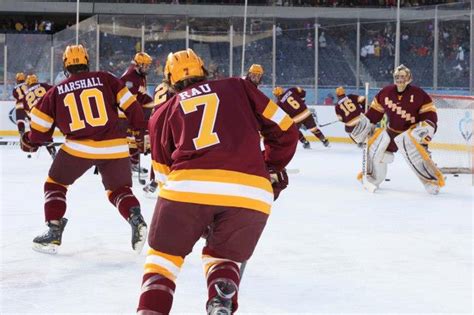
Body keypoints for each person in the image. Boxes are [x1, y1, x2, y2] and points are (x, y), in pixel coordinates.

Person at [137, 49, 298, 314]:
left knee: (162, 260)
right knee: (223, 257)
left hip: (186, 188)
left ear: (169, 80)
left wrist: (195, 216)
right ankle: (221, 290)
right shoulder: (238, 86)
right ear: (204, 69)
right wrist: (268, 166)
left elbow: (164, 176)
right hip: (251, 192)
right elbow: (285, 129)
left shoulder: (162, 112)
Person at [20, 44, 148, 254]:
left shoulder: (56, 91)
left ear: (66, 66)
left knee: (55, 184)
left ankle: (53, 231)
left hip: (79, 148)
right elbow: (132, 107)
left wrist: (30, 140)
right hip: (115, 146)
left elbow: (40, 131)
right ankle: (135, 218)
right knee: (119, 190)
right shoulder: (106, 78)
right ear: (86, 62)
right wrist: (138, 130)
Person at [350, 64, 444, 194]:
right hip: (392, 132)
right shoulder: (386, 92)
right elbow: (374, 114)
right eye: (397, 77)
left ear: (409, 78)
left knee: (418, 158)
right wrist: (366, 124)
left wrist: (427, 126)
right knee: (376, 150)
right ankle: (372, 178)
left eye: (402, 76)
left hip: (411, 134)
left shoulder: (419, 94)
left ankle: (431, 182)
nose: (399, 79)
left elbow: (429, 114)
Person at [120, 52, 154, 176]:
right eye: (145, 66)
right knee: (131, 138)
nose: (147, 68)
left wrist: (152, 103)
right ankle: (130, 164)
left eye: (148, 66)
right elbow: (128, 102)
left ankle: (133, 163)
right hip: (125, 113)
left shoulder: (139, 74)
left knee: (135, 138)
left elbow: (141, 95)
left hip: (134, 108)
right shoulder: (130, 78)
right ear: (137, 65)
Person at [142, 77, 175, 197]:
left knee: (157, 155)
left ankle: (153, 181)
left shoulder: (159, 87)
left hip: (154, 122)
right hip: (167, 122)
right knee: (171, 153)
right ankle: (167, 182)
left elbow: (155, 107)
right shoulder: (175, 88)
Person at [21, 74, 55, 158]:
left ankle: (53, 152)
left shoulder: (25, 97)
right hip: (50, 110)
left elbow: (28, 113)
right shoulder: (44, 85)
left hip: (38, 115)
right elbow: (55, 92)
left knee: (45, 133)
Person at [12, 72, 28, 138]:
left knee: (20, 121)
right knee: (33, 121)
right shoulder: (28, 85)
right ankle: (35, 133)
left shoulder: (15, 88)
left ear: (17, 79)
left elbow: (15, 96)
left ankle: (22, 133)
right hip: (28, 105)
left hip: (19, 106)